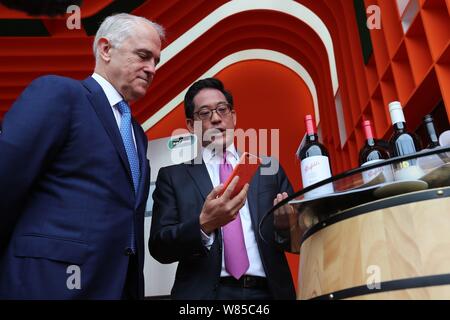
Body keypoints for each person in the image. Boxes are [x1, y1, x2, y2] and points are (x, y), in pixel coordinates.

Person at [0, 13, 164, 299]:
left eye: (156, 61)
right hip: (48, 284)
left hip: (118, 286)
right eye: (143, 55)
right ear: (105, 49)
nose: (151, 68)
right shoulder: (59, 93)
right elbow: (5, 181)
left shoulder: (137, 134)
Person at [149, 78, 296, 299]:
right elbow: (160, 246)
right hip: (205, 296)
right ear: (191, 125)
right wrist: (203, 225)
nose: (216, 119)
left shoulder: (268, 169)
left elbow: (301, 238)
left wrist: (286, 227)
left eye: (222, 109)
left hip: (268, 293)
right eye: (205, 113)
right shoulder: (173, 177)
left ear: (233, 116)